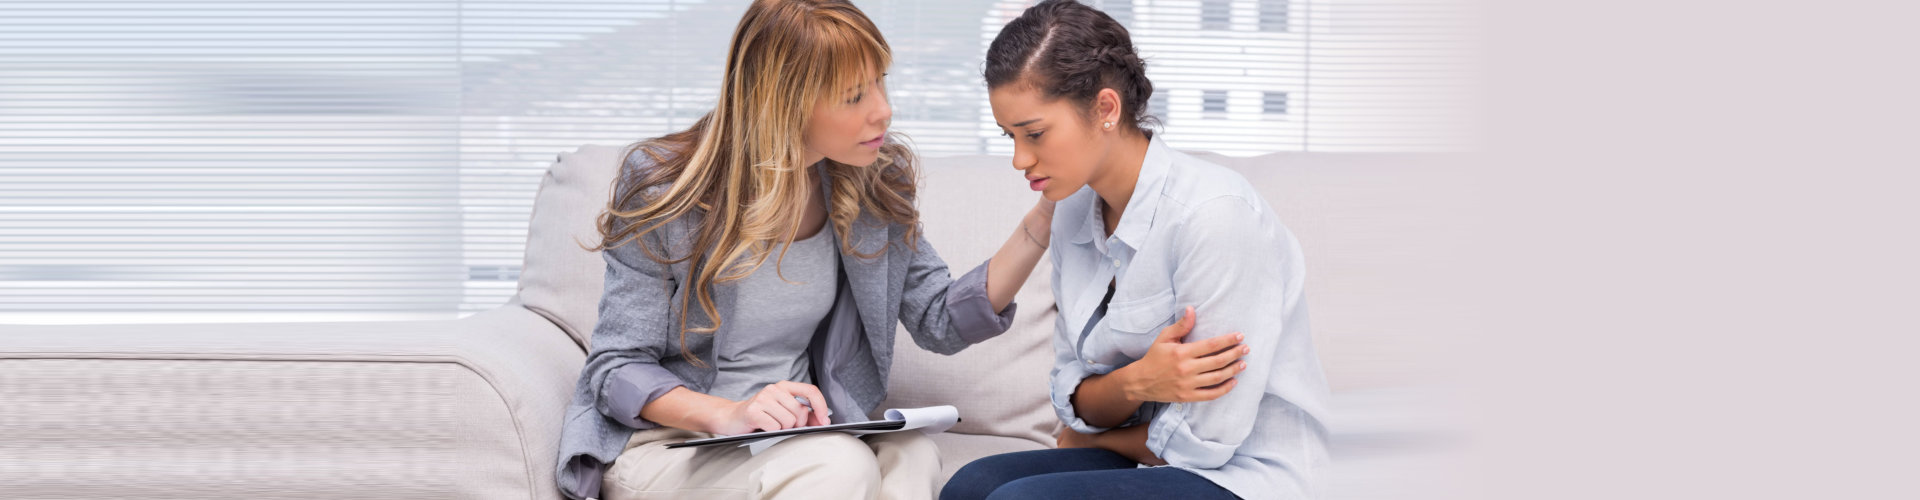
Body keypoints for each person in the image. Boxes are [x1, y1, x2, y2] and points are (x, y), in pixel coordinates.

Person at [552, 1, 1055, 498]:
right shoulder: (668, 190)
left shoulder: (868, 182)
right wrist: (728, 414)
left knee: (912, 452)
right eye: (854, 95)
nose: (883, 108)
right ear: (784, 102)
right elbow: (615, 368)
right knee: (838, 463)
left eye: (880, 80)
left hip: (792, 437)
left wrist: (1041, 223)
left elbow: (939, 319)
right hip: (674, 444)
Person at [941, 1, 1331, 499]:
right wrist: (1137, 383)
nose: (1020, 159)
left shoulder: (1215, 216)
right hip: (1151, 457)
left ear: (1105, 108)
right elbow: (1071, 393)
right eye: (1010, 136)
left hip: (1243, 471)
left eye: (1035, 133)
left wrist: (1090, 437)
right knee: (970, 486)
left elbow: (1208, 438)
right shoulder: (1073, 208)